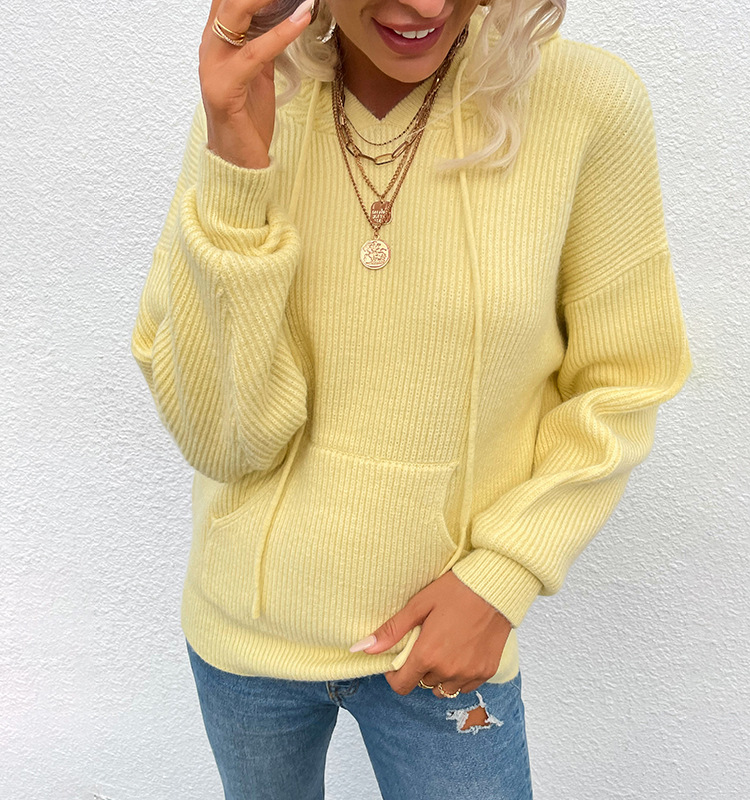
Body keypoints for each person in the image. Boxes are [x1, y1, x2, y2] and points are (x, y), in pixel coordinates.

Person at [130, 0, 693, 796]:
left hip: (445, 647)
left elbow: (622, 380)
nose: (426, 5)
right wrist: (236, 171)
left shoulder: (585, 102)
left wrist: (504, 576)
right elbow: (224, 439)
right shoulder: (254, 98)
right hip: (243, 644)